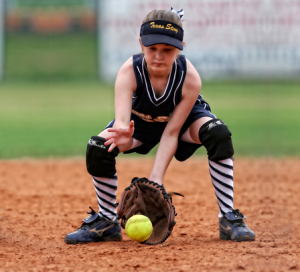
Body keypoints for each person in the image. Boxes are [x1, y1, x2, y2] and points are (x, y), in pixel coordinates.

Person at [64, 8, 255, 244]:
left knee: (218, 132)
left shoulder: (190, 78)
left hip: (182, 123)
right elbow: (122, 121)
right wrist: (123, 134)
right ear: (141, 44)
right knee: (98, 145)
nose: (158, 56)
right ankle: (107, 221)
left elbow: (171, 132)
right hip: (139, 124)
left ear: (181, 46)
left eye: (168, 50)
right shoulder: (129, 72)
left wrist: (156, 179)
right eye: (152, 48)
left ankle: (228, 218)